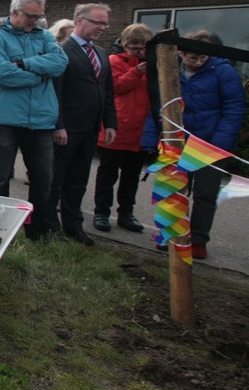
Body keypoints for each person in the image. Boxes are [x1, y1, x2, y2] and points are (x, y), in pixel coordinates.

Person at [144, 31, 245, 259]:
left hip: (211, 145)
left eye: (202, 58)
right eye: (192, 57)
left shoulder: (223, 72)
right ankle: (173, 235)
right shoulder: (169, 68)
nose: (198, 62)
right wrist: (150, 138)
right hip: (176, 142)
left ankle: (198, 240)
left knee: (205, 193)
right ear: (181, 53)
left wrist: (218, 143)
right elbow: (157, 105)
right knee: (173, 190)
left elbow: (234, 108)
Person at [0, 0, 68, 241]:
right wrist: (41, 76)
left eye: (40, 16)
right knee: (0, 179)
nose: (36, 21)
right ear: (15, 13)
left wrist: (23, 64)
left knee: (43, 180)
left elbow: (60, 64)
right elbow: (0, 74)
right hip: (4, 119)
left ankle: (38, 231)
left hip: (40, 121)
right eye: (31, 16)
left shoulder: (45, 37)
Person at [50, 4, 117, 246]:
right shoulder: (61, 51)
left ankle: (73, 226)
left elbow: (107, 91)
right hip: (67, 129)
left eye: (104, 23)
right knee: (55, 179)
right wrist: (58, 125)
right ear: (79, 20)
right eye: (97, 22)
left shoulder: (101, 53)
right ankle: (50, 227)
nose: (102, 27)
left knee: (78, 180)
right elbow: (55, 91)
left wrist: (110, 123)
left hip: (90, 128)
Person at [92, 23, 153, 234]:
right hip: (118, 127)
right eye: (134, 48)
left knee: (131, 176)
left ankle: (126, 213)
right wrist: (136, 72)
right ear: (125, 45)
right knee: (107, 175)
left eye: (143, 48)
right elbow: (115, 87)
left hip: (140, 130)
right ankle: (101, 212)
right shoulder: (114, 61)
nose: (139, 52)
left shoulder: (154, 63)